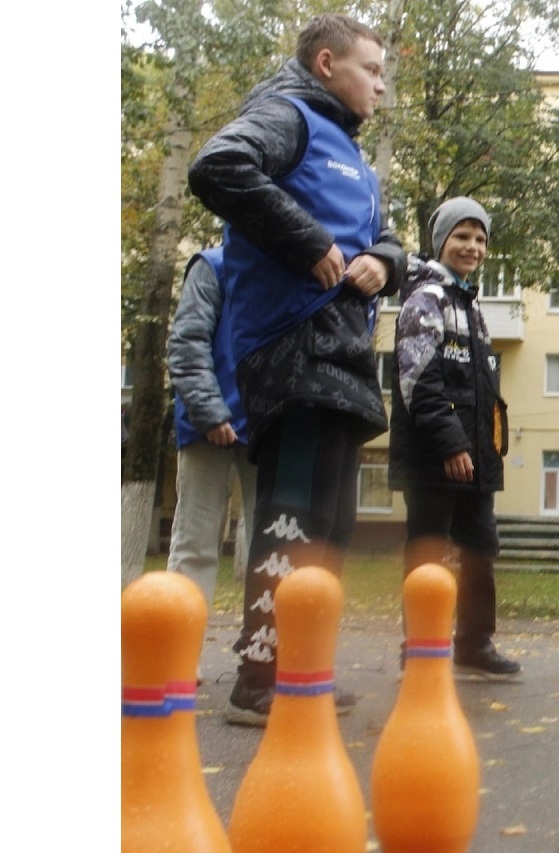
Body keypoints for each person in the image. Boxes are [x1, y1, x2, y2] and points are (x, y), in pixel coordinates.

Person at [187, 13, 405, 725]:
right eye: (370, 70)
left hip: (343, 352)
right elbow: (218, 167)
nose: (380, 85)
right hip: (289, 345)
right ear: (324, 63)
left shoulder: (353, 155)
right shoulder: (285, 116)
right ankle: (259, 677)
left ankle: (301, 667)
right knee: (293, 514)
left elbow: (386, 235)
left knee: (331, 525)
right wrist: (307, 240)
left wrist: (387, 261)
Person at [389, 197, 520, 680]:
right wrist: (451, 443)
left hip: (477, 458)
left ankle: (474, 643)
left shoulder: (471, 303)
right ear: (441, 241)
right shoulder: (426, 299)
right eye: (462, 236)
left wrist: (484, 448)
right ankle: (420, 646)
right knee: (427, 551)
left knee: (480, 549)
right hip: (436, 457)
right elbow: (417, 380)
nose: (473, 247)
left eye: (481, 238)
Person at [166, 247, 258, 681]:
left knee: (271, 549)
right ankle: (176, 655)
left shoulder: (288, 263)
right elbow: (187, 340)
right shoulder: (214, 264)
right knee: (196, 543)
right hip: (206, 427)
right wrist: (209, 411)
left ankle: (264, 657)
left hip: (265, 426)